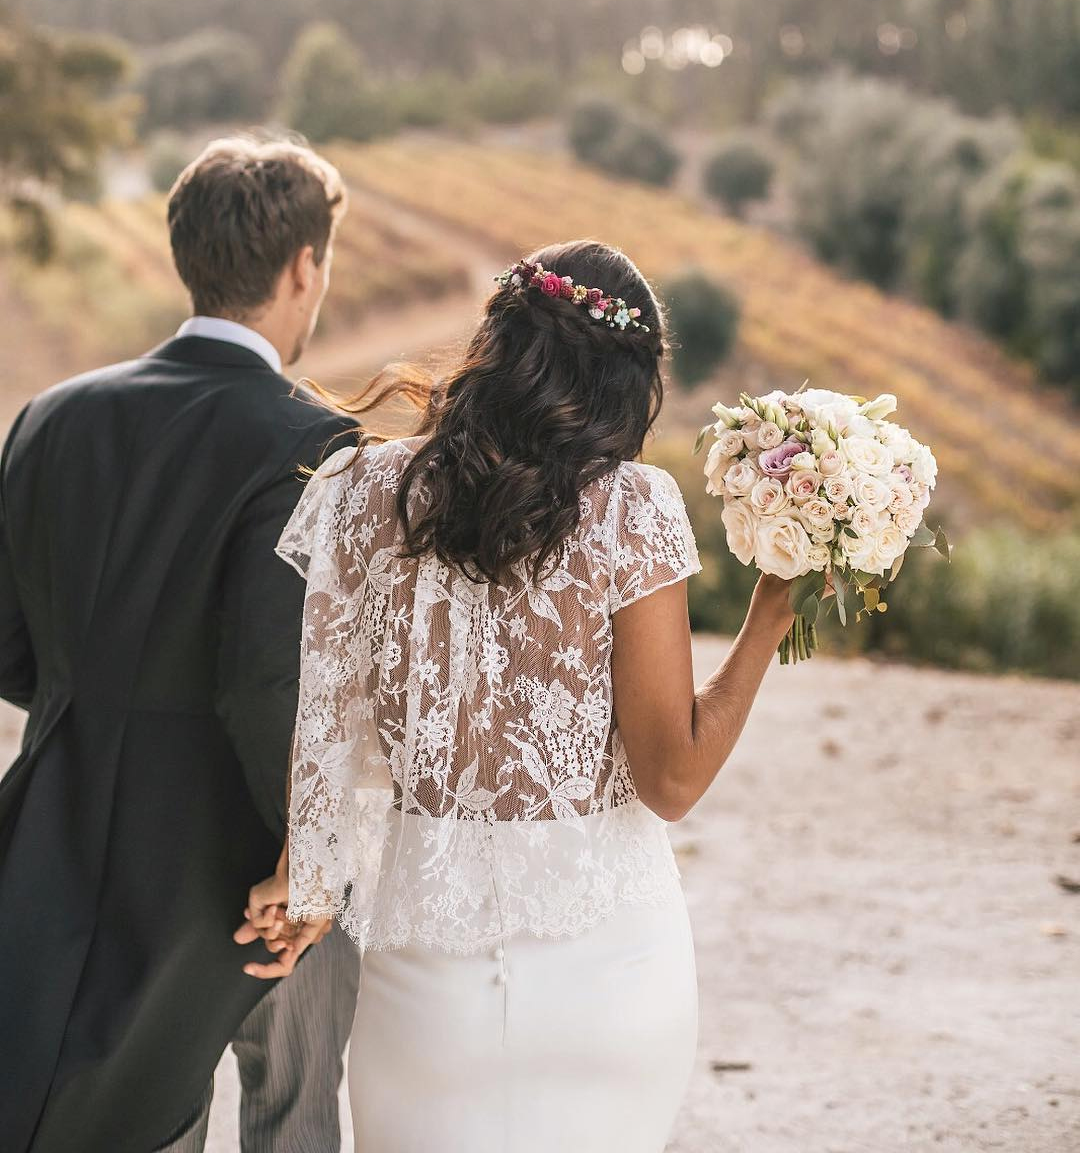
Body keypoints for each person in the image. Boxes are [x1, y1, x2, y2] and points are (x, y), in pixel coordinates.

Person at [243, 240, 798, 1153]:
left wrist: (307, 883)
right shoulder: (633, 507)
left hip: (427, 980)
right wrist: (770, 617)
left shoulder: (361, 489)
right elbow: (673, 780)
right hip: (609, 972)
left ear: (495, 339)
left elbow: (323, 726)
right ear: (630, 382)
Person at [0, 136, 359, 1153]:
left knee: (127, 1123)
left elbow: (7, 643)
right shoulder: (312, 441)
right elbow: (271, 670)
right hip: (256, 862)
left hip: (65, 837)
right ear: (302, 267)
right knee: (292, 1113)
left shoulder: (51, 417)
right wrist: (313, 847)